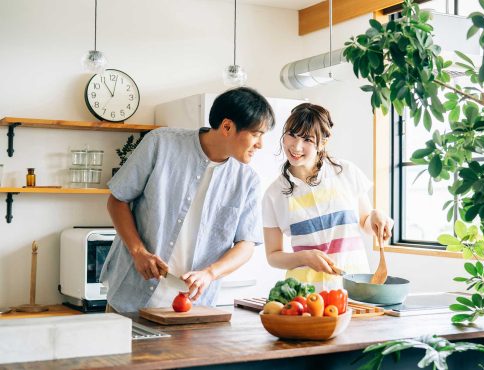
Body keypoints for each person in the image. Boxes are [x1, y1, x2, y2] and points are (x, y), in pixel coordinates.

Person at [100, 87, 275, 313]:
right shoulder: (160, 144)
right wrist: (138, 252)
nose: (260, 144)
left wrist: (210, 273)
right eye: (256, 134)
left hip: (193, 308)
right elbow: (117, 200)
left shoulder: (247, 180)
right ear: (227, 127)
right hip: (131, 297)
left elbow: (246, 244)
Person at [262, 103, 394, 291]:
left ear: (323, 142)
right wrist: (303, 257)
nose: (296, 146)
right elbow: (273, 256)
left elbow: (365, 222)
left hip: (353, 290)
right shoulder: (274, 194)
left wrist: (376, 216)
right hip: (306, 297)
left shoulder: (346, 172)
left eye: (307, 139)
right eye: (291, 134)